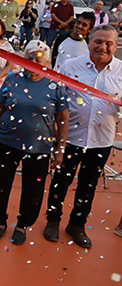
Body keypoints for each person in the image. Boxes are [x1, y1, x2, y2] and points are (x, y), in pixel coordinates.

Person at [0, 40, 69, 245]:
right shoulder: (13, 79)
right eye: (31, 59)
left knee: (33, 190)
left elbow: (63, 118)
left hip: (40, 147)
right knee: (1, 184)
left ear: (48, 63)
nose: (35, 64)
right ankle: (0, 222)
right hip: (7, 142)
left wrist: (60, 149)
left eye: (41, 61)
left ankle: (23, 225)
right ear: (24, 60)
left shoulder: (55, 85)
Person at [44, 25, 122, 248]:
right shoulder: (70, 66)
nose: (103, 47)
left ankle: (77, 225)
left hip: (101, 141)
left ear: (116, 46)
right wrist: (56, 137)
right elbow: (57, 100)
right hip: (70, 138)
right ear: (89, 42)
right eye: (98, 41)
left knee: (88, 185)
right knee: (60, 181)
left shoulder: (121, 71)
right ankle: (52, 220)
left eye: (109, 43)